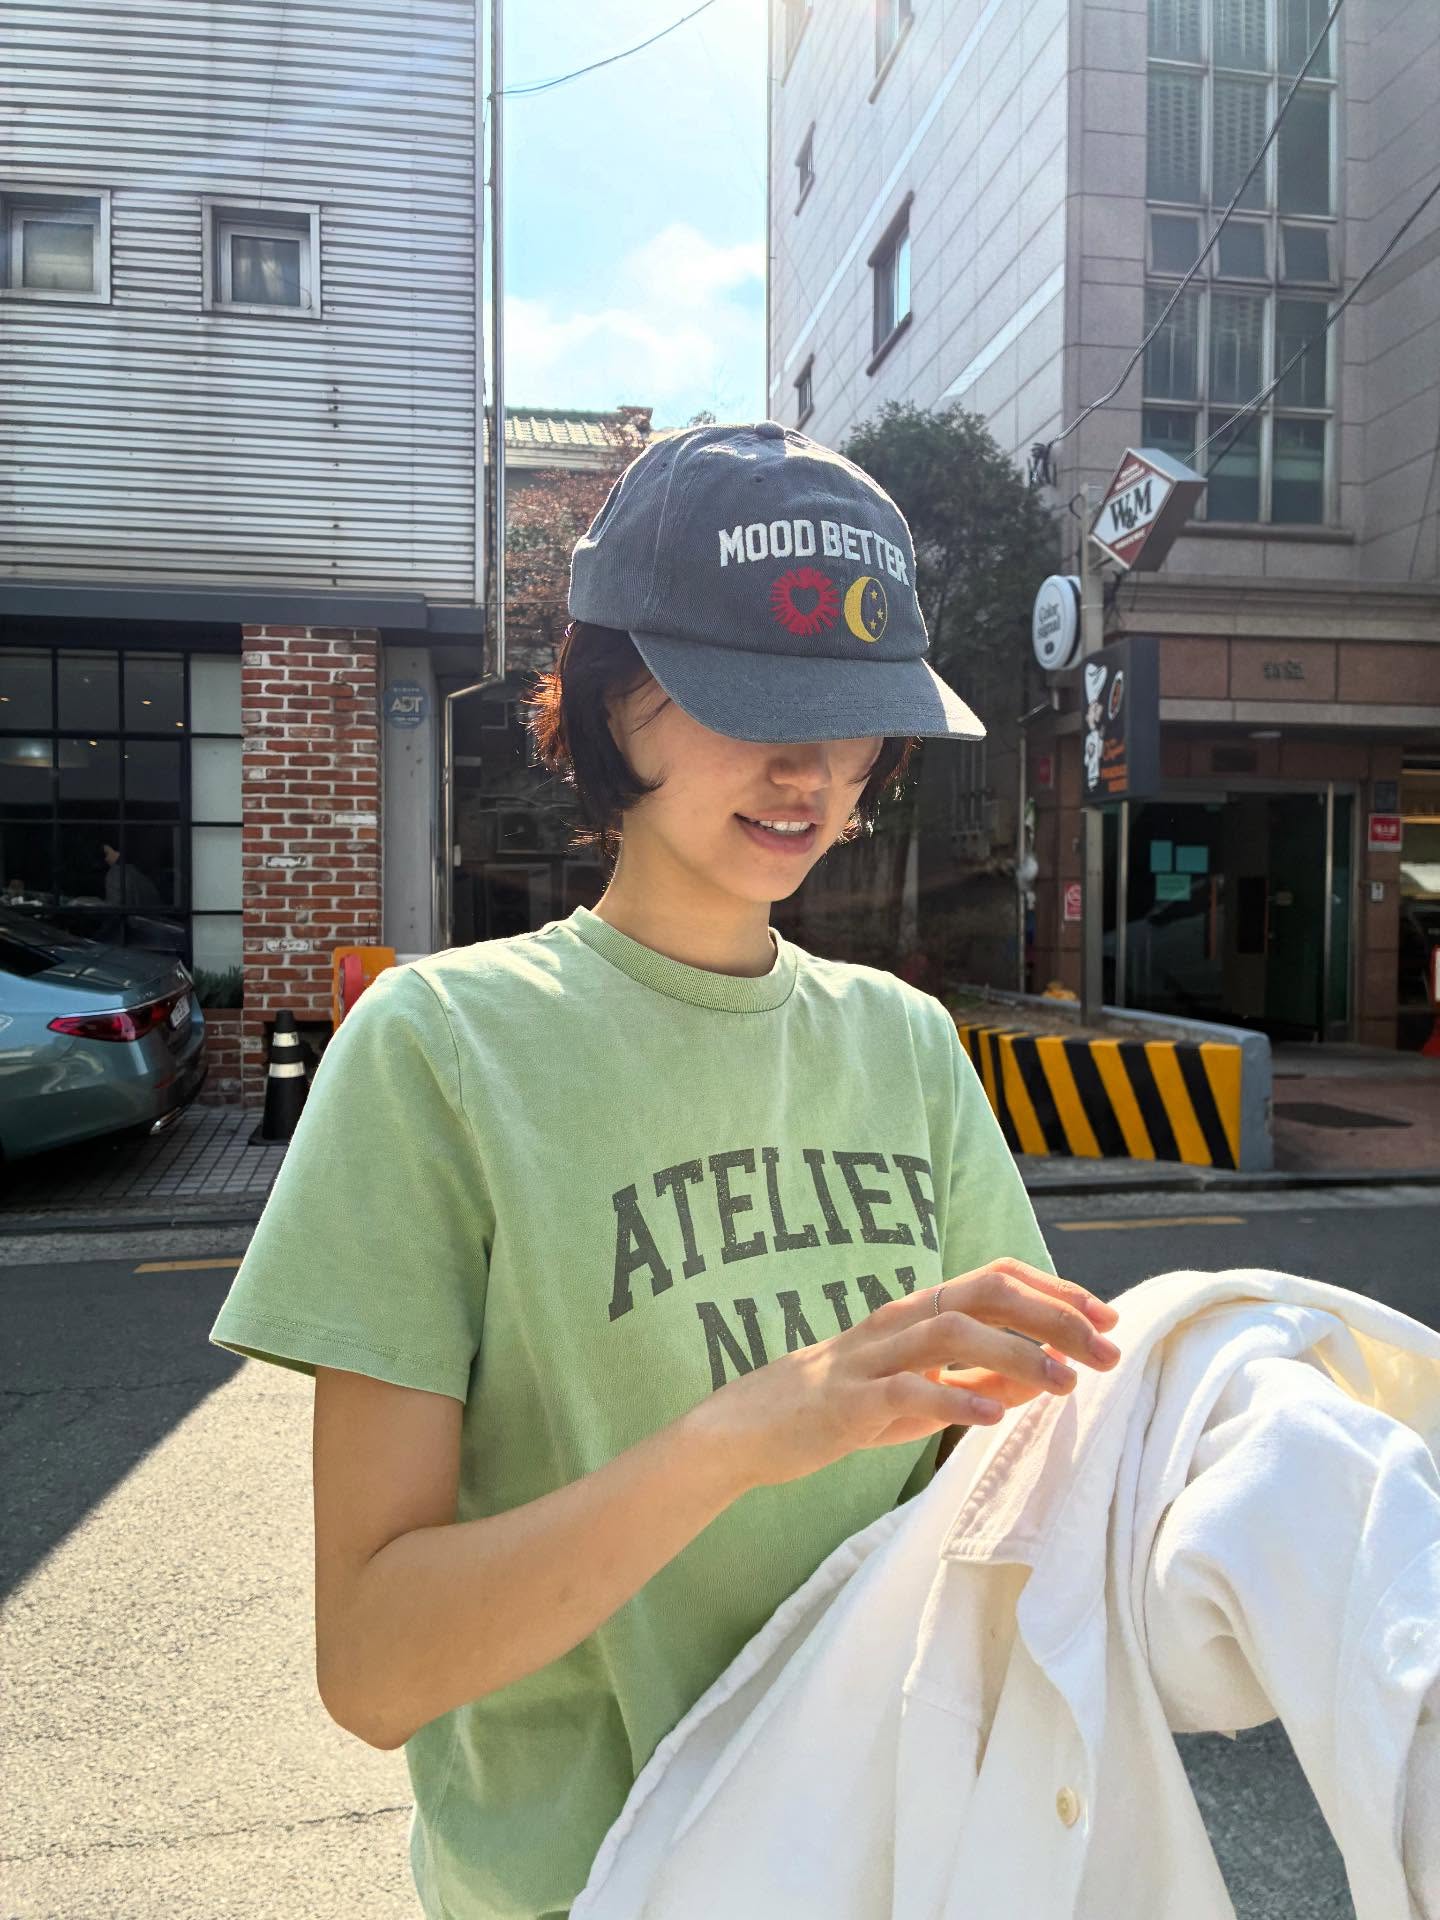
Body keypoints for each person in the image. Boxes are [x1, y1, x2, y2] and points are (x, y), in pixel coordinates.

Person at [207, 421, 1123, 1920]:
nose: (807, 771)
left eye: (850, 720)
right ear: (609, 694)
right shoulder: (440, 1050)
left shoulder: (904, 1045)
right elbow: (374, 1665)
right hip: (584, 1888)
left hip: (881, 1867)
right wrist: (740, 1438)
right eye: (749, 702)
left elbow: (1005, 1487)